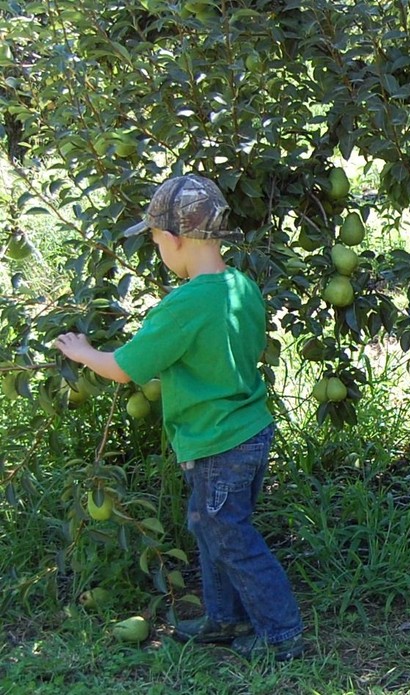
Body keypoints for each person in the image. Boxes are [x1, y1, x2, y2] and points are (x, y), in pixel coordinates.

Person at [53, 174, 304, 661]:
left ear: (174, 239)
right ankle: (224, 617)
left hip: (216, 440)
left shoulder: (185, 304)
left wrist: (84, 352)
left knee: (231, 537)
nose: (158, 249)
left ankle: (282, 633)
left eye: (154, 240)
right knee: (212, 530)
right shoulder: (241, 286)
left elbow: (124, 369)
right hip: (248, 431)